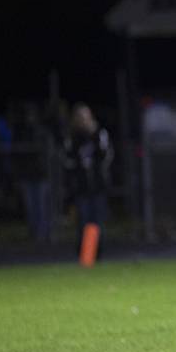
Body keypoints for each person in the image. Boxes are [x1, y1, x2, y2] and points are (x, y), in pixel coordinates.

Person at [64, 102, 113, 251]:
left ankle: (99, 251)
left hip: (98, 184)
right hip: (81, 185)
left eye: (86, 116)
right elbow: (68, 159)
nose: (84, 120)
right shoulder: (73, 136)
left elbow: (106, 155)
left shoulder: (99, 133)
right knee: (83, 220)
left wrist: (93, 136)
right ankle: (86, 253)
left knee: (97, 220)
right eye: (81, 117)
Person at [12, 102, 51, 241]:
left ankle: (43, 234)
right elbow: (17, 154)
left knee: (41, 206)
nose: (29, 117)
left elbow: (46, 154)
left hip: (40, 174)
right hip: (27, 175)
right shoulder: (21, 132)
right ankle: (34, 234)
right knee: (30, 207)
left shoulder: (41, 131)